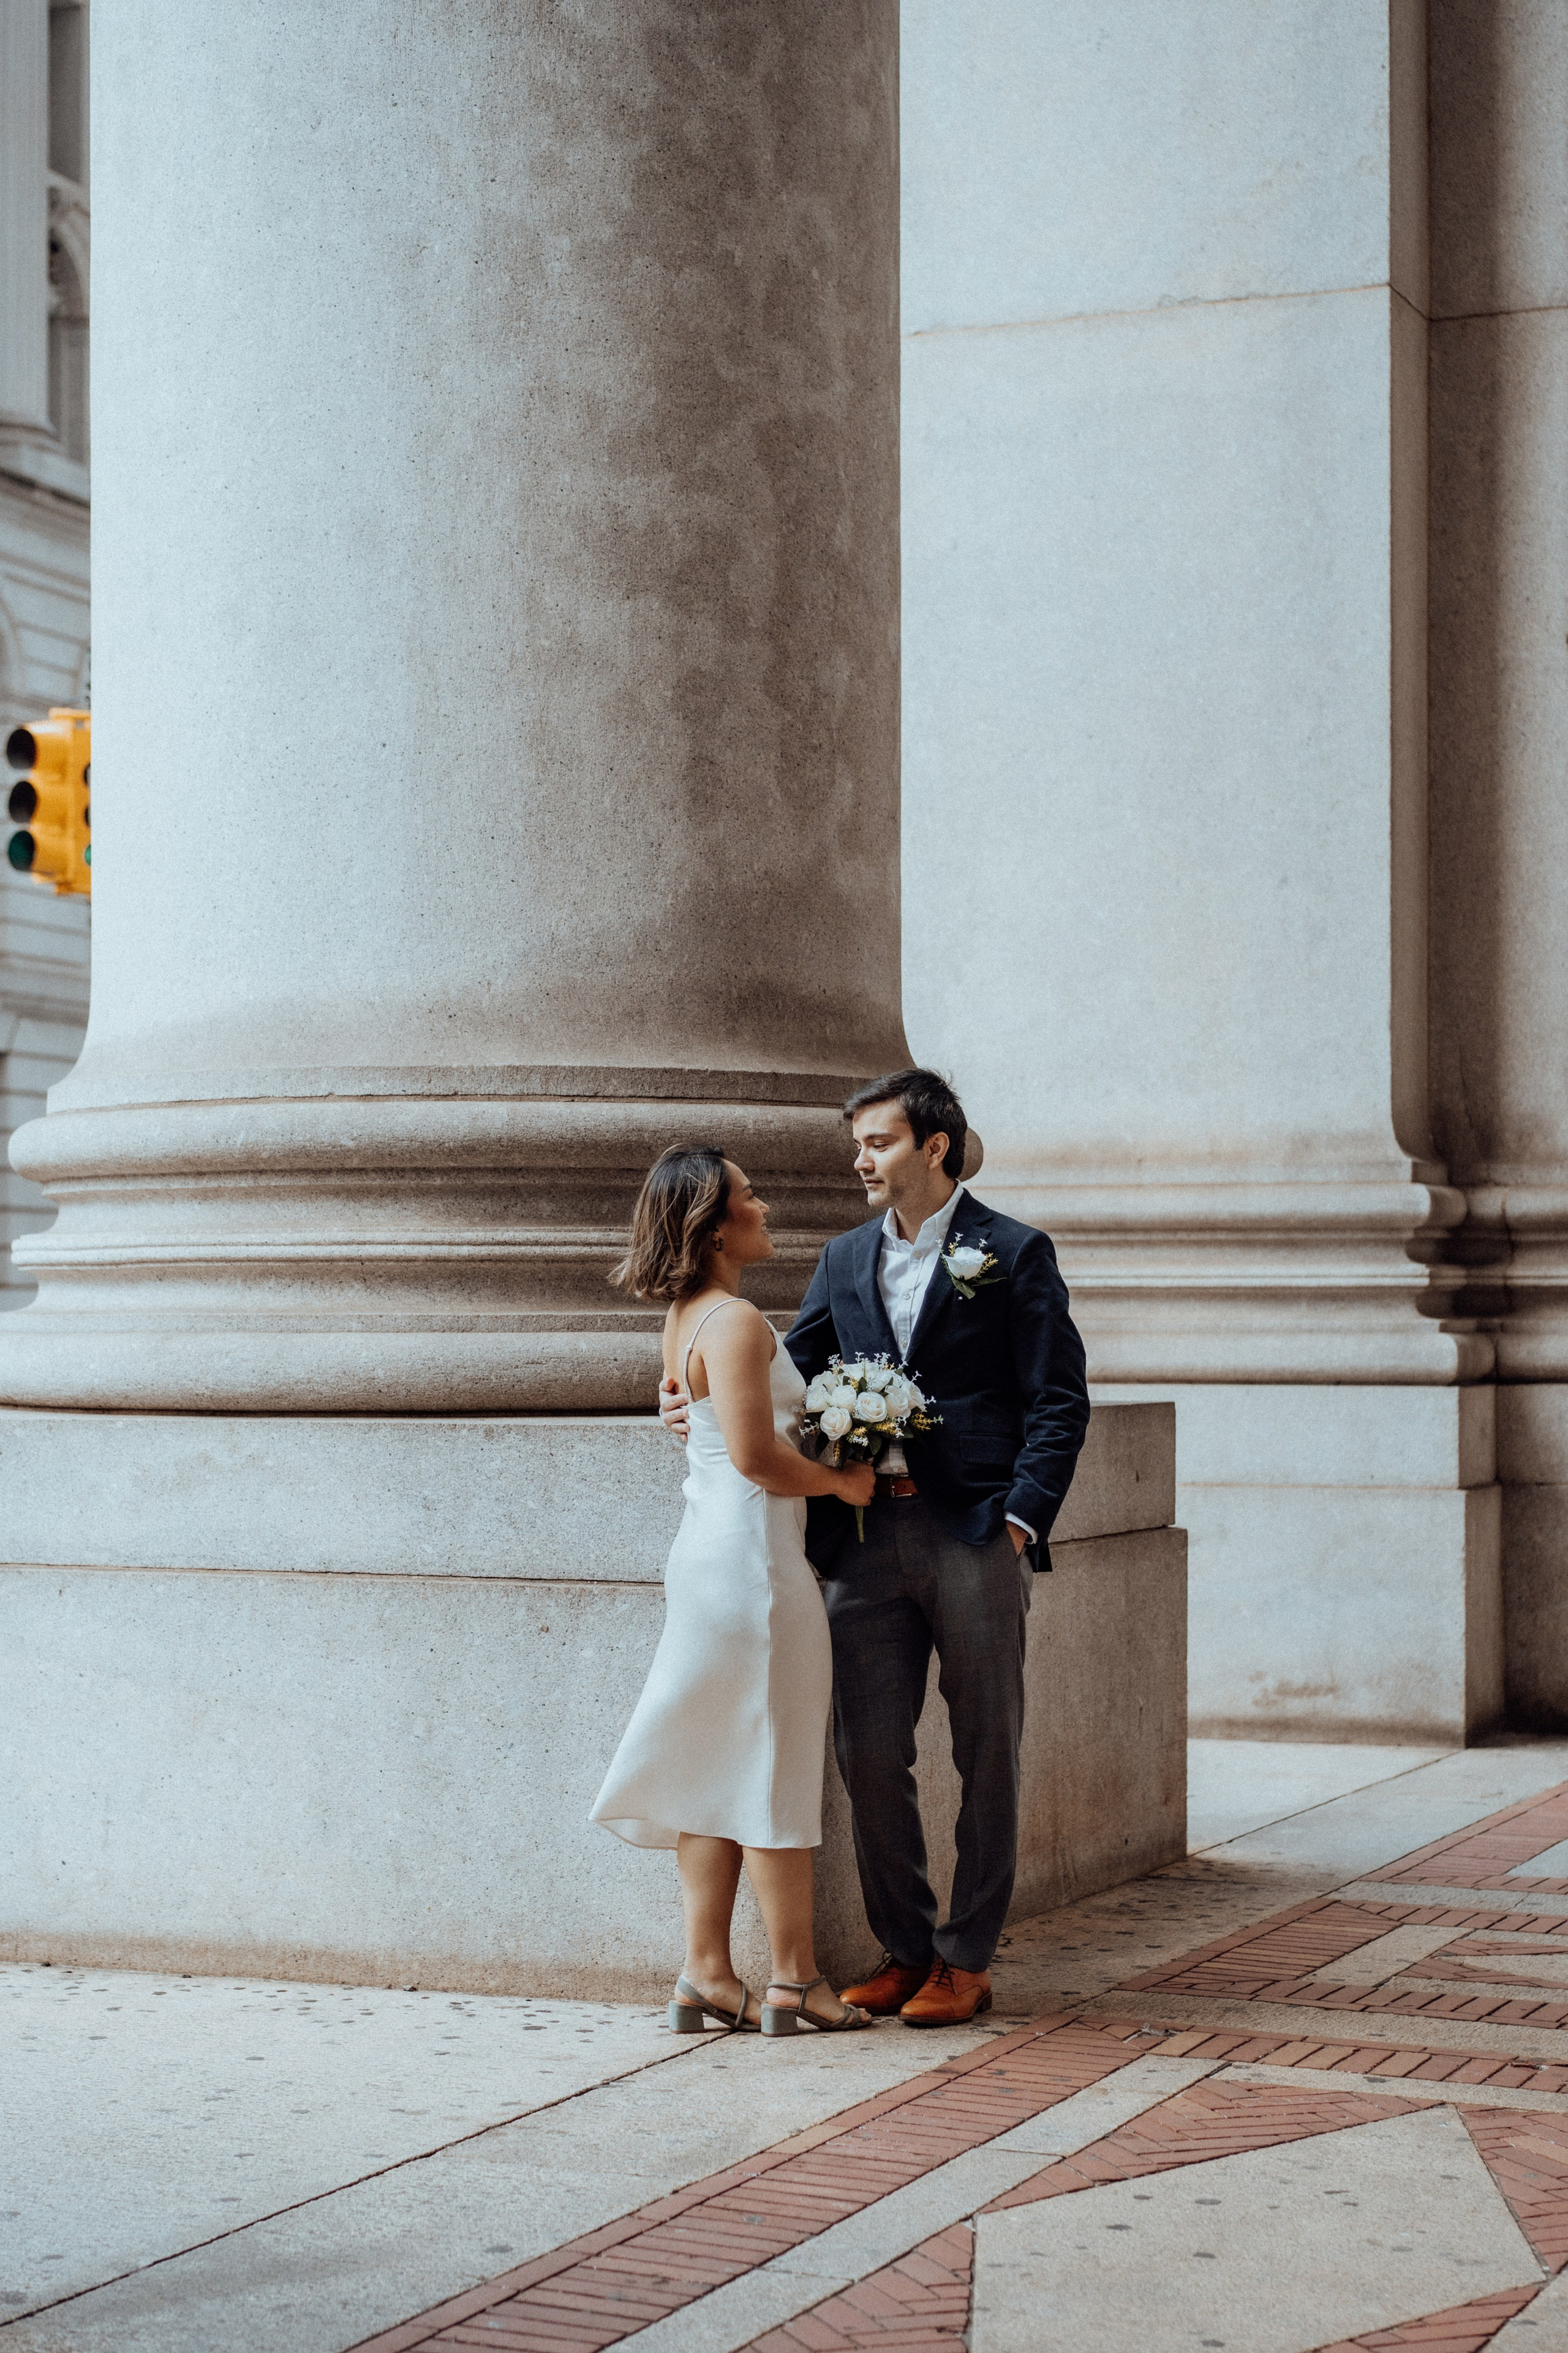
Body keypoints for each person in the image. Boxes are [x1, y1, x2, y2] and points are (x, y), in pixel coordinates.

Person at [661, 1070, 1090, 2026]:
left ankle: (966, 1958)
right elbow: (787, 1373)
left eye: (878, 1141)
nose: (860, 1159)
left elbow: (1059, 1399)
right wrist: (687, 1397)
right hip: (861, 1538)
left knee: (988, 1748)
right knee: (868, 1753)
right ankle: (907, 1947)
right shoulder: (844, 1256)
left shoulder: (1015, 1252)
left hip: (973, 1532)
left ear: (934, 1147)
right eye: (856, 1143)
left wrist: (1020, 1520)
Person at [590, 1144, 878, 2037]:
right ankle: (795, 1979)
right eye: (751, 1196)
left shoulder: (685, 1317)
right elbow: (757, 1458)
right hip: (755, 1567)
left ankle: (707, 1973)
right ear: (715, 1228)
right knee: (776, 1762)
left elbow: (715, 1432)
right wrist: (844, 1484)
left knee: (715, 1764)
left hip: (706, 1556)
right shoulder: (740, 1321)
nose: (766, 1207)